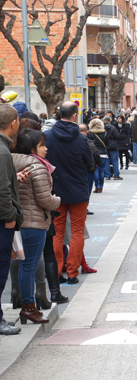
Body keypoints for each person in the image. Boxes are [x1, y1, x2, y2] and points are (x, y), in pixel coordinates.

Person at [11, 128, 61, 324]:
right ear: (32, 148)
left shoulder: (11, 160)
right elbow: (44, 199)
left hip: (17, 221)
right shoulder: (37, 166)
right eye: (42, 145)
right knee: (29, 266)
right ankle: (29, 308)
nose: (46, 149)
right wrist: (57, 200)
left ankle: (25, 305)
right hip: (33, 223)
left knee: (21, 265)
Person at [45, 102, 94, 285]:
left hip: (56, 191)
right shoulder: (81, 139)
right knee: (77, 231)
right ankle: (73, 272)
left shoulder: (48, 136)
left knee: (57, 232)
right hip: (78, 190)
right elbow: (89, 163)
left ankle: (57, 271)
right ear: (74, 115)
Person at [0, 104, 23, 335]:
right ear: (14, 123)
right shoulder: (2, 150)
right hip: (2, 221)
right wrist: (8, 217)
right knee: (1, 269)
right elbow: (2, 189)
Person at [88, 119, 111, 193]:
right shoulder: (104, 133)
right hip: (103, 154)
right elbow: (107, 143)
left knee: (95, 171)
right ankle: (101, 186)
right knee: (102, 170)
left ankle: (97, 186)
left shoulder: (90, 133)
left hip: (94, 154)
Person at [102, 116, 122, 181]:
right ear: (110, 121)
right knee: (115, 161)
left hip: (105, 146)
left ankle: (107, 175)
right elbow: (118, 136)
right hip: (113, 146)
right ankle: (116, 175)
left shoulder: (102, 128)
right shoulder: (113, 128)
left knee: (106, 162)